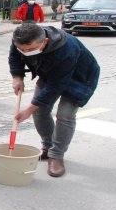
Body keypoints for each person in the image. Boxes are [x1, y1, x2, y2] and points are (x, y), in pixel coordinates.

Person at [10, 22, 100, 177]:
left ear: (44, 41)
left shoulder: (66, 49)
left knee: (65, 115)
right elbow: (14, 57)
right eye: (22, 49)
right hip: (50, 74)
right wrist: (17, 77)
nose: (26, 53)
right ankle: (48, 146)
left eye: (31, 49)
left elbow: (56, 86)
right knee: (40, 113)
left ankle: (56, 156)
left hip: (80, 78)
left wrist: (28, 110)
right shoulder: (19, 39)